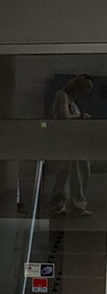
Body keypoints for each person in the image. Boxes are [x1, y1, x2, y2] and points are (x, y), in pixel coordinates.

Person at [49, 73, 94, 217]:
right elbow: (64, 116)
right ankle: (72, 205)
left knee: (73, 172)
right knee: (72, 173)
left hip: (72, 141)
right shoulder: (62, 96)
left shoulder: (72, 101)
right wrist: (81, 116)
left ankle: (65, 204)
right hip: (66, 141)